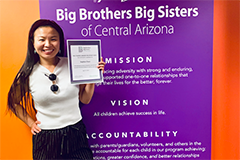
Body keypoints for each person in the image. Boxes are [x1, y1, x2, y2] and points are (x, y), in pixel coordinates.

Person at [7, 19, 105, 160]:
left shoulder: (73, 64)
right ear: (33, 43)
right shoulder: (27, 74)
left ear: (59, 43)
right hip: (46, 138)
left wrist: (92, 76)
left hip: (76, 132)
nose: (48, 44)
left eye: (53, 39)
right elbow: (13, 103)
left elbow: (85, 99)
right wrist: (30, 122)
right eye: (42, 39)